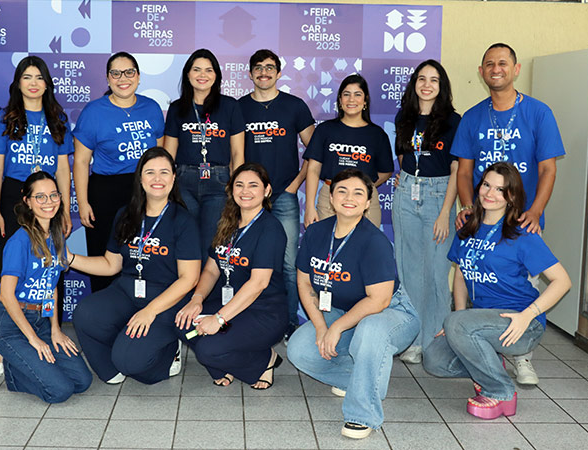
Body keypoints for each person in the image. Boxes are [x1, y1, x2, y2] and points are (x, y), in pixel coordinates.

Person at [451, 43, 565, 385]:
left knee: (522, 290)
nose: (495, 68)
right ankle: (487, 353)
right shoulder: (472, 117)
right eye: (489, 64)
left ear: (515, 69)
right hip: (482, 219)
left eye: (503, 63)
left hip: (521, 221)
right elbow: (463, 172)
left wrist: (535, 210)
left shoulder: (538, 113)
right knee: (482, 284)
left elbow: (548, 170)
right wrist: (469, 209)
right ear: (481, 72)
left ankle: (522, 355)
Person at [423, 162, 571, 419]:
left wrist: (527, 316)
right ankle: (491, 365)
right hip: (480, 321)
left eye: (500, 190)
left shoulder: (522, 233)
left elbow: (562, 281)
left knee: (458, 326)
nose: (489, 194)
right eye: (486, 185)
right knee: (434, 359)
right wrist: (458, 319)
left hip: (521, 324)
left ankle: (501, 391)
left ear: (511, 196)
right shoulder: (468, 226)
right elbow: (461, 273)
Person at [287, 168, 419, 440]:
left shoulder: (374, 241)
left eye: (358, 192)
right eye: (342, 191)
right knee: (300, 349)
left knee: (369, 330)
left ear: (368, 202)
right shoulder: (315, 233)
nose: (350, 198)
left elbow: (379, 300)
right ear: (332, 198)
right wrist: (322, 327)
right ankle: (364, 380)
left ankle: (362, 414)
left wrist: (336, 329)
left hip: (391, 312)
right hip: (343, 310)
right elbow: (304, 283)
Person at [71, 148, 200, 385]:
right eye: (150, 172)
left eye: (164, 172)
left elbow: (189, 279)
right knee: (86, 314)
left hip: (166, 300)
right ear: (140, 179)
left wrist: (150, 310)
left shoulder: (184, 221)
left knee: (130, 361)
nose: (157, 179)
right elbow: (111, 264)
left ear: (174, 177)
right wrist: (68, 258)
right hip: (127, 291)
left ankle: (170, 353)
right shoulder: (126, 214)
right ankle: (113, 368)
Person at [0, 171, 92, 402]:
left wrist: (55, 330)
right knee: (59, 391)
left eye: (53, 195)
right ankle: (4, 358)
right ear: (28, 202)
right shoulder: (19, 241)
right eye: (40, 197)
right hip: (11, 325)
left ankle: (22, 359)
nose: (48, 202)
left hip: (41, 320)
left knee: (82, 381)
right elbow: (7, 297)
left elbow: (50, 285)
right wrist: (33, 339)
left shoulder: (56, 236)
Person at [176, 163, 288, 390]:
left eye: (253, 185)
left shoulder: (270, 228)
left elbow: (258, 284)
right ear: (231, 189)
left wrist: (218, 319)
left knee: (208, 350)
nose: (245, 191)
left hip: (264, 312)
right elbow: (211, 269)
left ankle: (264, 360)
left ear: (266, 190)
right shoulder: (228, 222)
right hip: (232, 305)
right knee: (182, 322)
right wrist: (196, 300)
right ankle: (224, 363)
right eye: (239, 185)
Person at [73, 52, 165, 294]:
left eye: (129, 72)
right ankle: (102, 314)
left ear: (138, 76)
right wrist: (82, 202)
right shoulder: (93, 112)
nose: (122, 78)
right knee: (105, 255)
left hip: (145, 191)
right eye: (115, 73)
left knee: (143, 255)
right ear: (107, 78)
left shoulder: (152, 108)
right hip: (106, 191)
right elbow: (81, 162)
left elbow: (162, 156)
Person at [239, 49, 315, 340]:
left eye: (270, 68)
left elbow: (314, 152)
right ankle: (248, 315)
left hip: (283, 194)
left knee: (287, 261)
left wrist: (296, 184)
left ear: (279, 73)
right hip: (248, 197)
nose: (264, 72)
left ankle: (288, 323)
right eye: (258, 68)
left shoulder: (294, 106)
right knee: (246, 259)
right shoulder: (239, 108)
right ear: (250, 73)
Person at [0, 55, 73, 302]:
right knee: (11, 260)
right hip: (15, 195)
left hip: (49, 198)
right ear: (18, 84)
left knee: (52, 258)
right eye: (27, 77)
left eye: (39, 77)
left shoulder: (58, 119)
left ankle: (49, 324)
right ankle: (7, 326)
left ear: (47, 84)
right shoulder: (5, 118)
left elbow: (63, 168)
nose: (33, 83)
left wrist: (63, 208)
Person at [392, 60, 461, 364]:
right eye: (422, 78)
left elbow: (457, 167)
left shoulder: (452, 121)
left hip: (438, 196)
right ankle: (414, 340)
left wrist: (446, 211)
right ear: (414, 84)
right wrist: (404, 178)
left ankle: (436, 341)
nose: (427, 85)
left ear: (441, 86)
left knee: (435, 273)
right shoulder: (404, 117)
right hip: (407, 193)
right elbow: (405, 155)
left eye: (434, 80)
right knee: (409, 272)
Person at [164, 49, 245, 260]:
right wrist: (166, 184)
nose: (203, 75)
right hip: (183, 180)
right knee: (186, 240)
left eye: (209, 70)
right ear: (188, 74)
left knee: (212, 242)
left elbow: (237, 153)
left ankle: (205, 293)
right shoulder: (176, 108)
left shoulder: (230, 106)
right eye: (197, 69)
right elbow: (168, 153)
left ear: (216, 75)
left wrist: (236, 186)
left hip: (219, 182)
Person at [303, 74, 394, 228]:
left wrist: (363, 187)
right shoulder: (325, 130)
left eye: (357, 94)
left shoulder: (377, 135)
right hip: (329, 200)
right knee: (328, 249)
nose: (351, 100)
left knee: (366, 250)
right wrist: (310, 207)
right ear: (340, 100)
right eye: (346, 94)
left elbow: (386, 171)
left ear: (365, 101)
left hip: (365, 202)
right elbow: (313, 169)